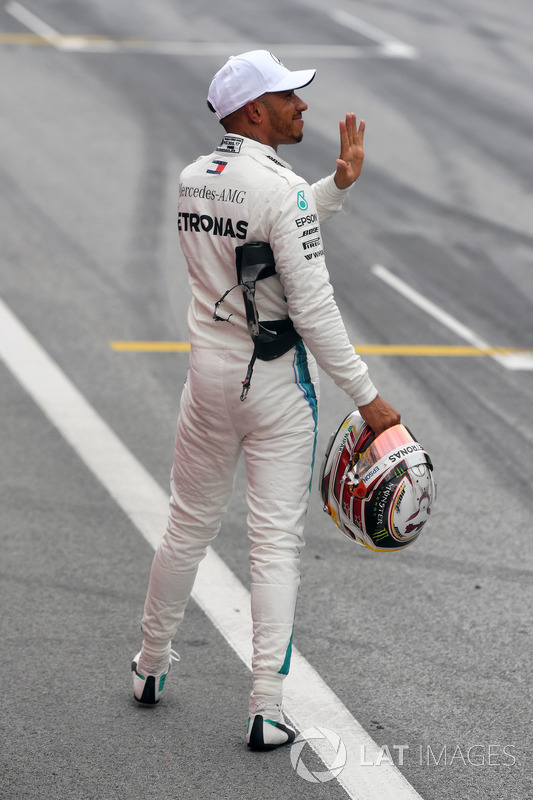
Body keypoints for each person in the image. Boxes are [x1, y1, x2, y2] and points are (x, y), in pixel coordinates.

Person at [132, 49, 400, 751]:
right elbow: (310, 302)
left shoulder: (195, 178)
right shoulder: (277, 189)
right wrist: (368, 400)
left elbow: (267, 227)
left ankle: (149, 665)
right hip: (276, 386)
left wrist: (334, 189)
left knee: (185, 525)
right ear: (255, 110)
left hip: (207, 382)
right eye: (289, 96)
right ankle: (266, 706)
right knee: (275, 546)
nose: (302, 106)